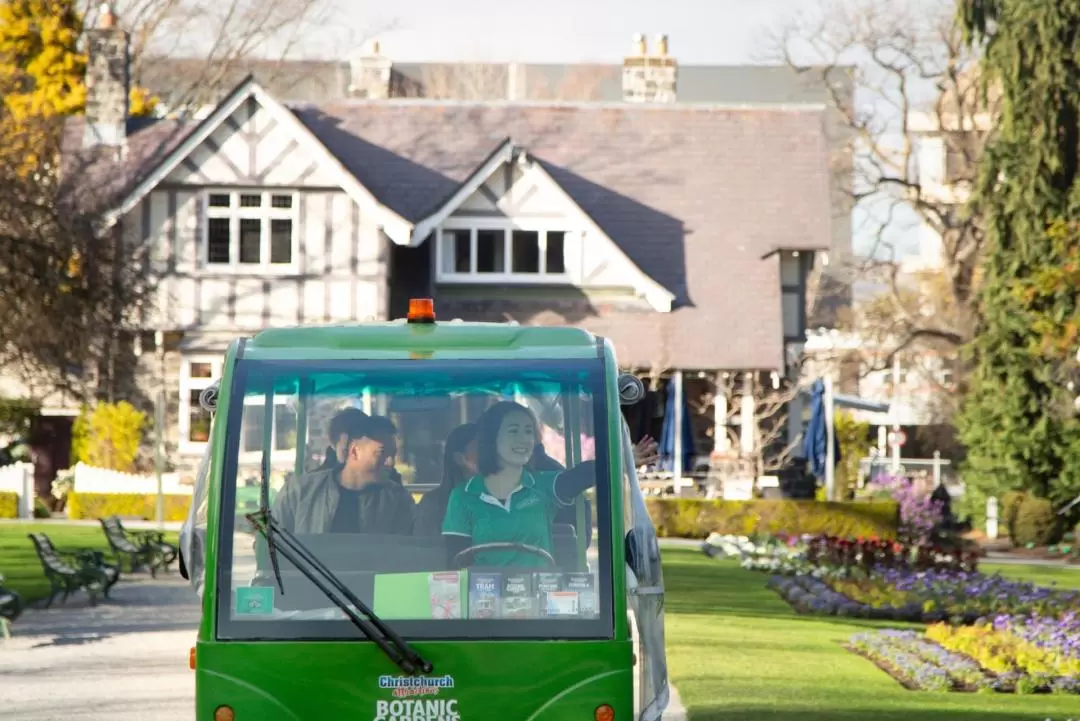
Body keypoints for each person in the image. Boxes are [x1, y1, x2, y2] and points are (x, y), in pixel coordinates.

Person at [442, 402, 596, 567]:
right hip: (483, 592)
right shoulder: (463, 496)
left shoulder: (545, 486)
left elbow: (589, 472)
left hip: (541, 591)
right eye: (513, 431)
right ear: (491, 438)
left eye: (528, 432)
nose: (524, 440)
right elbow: (456, 562)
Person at [271, 413, 415, 535]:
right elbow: (270, 546)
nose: (390, 462)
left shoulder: (399, 501)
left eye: (393, 455)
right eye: (382, 453)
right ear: (354, 451)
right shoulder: (299, 492)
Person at [414, 423, 479, 534]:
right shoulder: (432, 504)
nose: (489, 455)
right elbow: (423, 547)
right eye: (479, 448)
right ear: (459, 458)